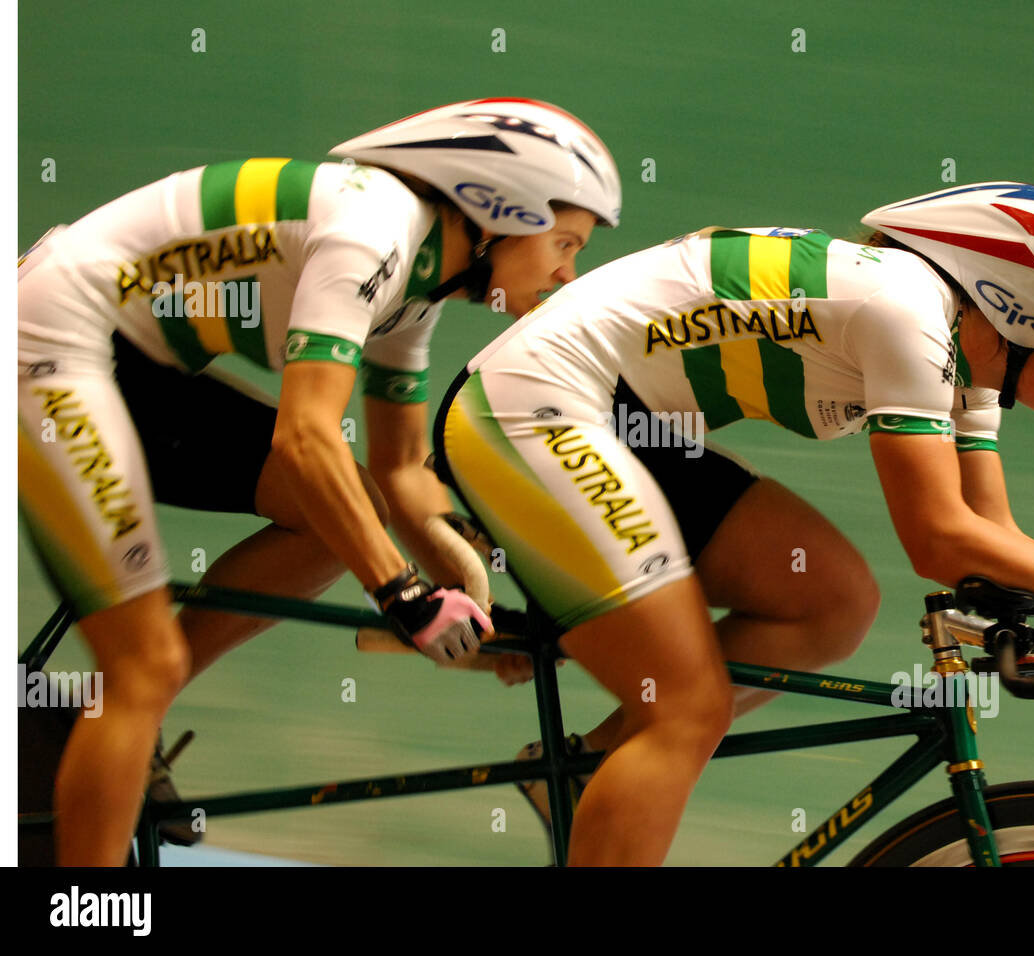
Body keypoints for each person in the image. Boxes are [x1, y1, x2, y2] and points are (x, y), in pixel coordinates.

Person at [431, 182, 1034, 866]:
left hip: (620, 424)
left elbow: (989, 541)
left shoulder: (965, 361)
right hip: (529, 412)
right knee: (688, 709)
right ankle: (620, 763)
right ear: (1027, 309)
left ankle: (583, 772)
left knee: (834, 600)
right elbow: (937, 539)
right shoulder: (904, 309)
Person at [17, 98, 621, 865]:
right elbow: (306, 439)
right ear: (497, 208)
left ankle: (117, 720)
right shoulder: (373, 231)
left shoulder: (414, 292)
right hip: (50, 344)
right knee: (146, 663)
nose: (570, 271)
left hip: (132, 366)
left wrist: (478, 606)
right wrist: (403, 595)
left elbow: (400, 480)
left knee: (340, 515)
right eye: (564, 241)